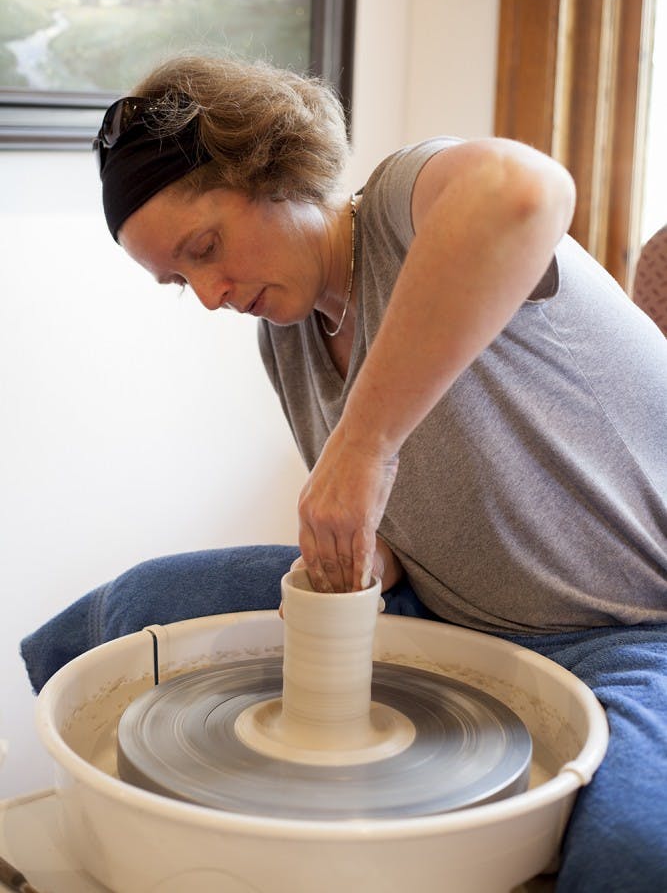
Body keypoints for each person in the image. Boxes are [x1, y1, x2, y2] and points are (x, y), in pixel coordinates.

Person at [21, 55, 667, 893]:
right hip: (454, 612)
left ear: (269, 168)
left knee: (631, 857)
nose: (210, 295)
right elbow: (390, 530)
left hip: (633, 629)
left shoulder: (401, 209)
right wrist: (357, 558)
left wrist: (364, 448)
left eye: (205, 248)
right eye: (180, 281)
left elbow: (522, 189)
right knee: (125, 609)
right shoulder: (286, 340)